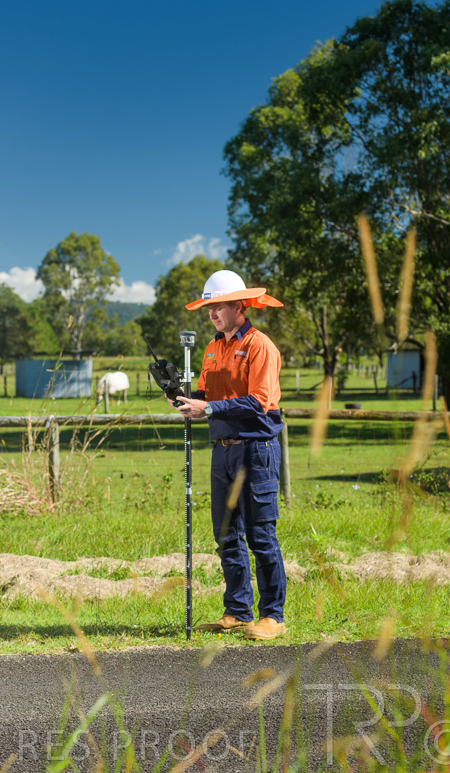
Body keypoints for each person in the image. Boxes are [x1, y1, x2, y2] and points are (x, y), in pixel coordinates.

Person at [170, 269, 287, 641]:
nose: (212, 314)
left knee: (260, 535)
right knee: (226, 535)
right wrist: (187, 400)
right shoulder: (212, 347)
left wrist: (209, 409)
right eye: (209, 308)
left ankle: (273, 617)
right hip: (222, 451)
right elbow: (208, 395)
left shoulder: (259, 345)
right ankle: (237, 611)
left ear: (239, 306)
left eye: (218, 307)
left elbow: (258, 401)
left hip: (256, 450)